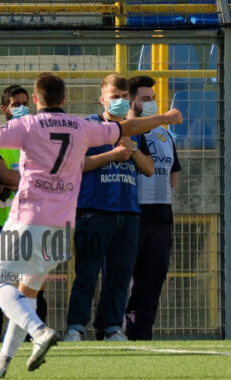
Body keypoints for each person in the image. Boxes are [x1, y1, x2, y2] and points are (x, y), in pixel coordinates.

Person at [0, 72, 182, 378]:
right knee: (26, 294)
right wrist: (165, 117)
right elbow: (127, 127)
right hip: (61, 226)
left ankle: (38, 330)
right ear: (64, 98)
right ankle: (2, 361)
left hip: (27, 219)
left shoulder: (27, 125)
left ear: (36, 100)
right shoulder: (82, 127)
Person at [64, 74, 155, 342]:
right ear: (102, 99)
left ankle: (111, 327)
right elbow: (75, 165)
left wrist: (133, 150)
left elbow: (149, 169)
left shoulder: (134, 129)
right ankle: (76, 327)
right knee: (87, 273)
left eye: (124, 97)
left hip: (128, 213)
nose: (120, 101)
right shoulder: (88, 127)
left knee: (120, 276)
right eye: (114, 97)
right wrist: (111, 155)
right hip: (94, 211)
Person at [0, 84, 47, 343]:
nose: (22, 108)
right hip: (0, 223)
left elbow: (45, 177)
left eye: (25, 103)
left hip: (32, 223)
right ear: (4, 109)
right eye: (16, 104)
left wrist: (13, 181)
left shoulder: (38, 140)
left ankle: (36, 336)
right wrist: (24, 179)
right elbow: (5, 175)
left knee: (33, 284)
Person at [124, 75, 181, 340]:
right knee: (122, 280)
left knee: (152, 281)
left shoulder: (164, 133)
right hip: (132, 215)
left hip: (161, 217)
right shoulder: (123, 130)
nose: (151, 104)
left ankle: (141, 334)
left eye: (153, 99)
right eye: (145, 99)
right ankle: (114, 331)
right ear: (131, 101)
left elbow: (173, 172)